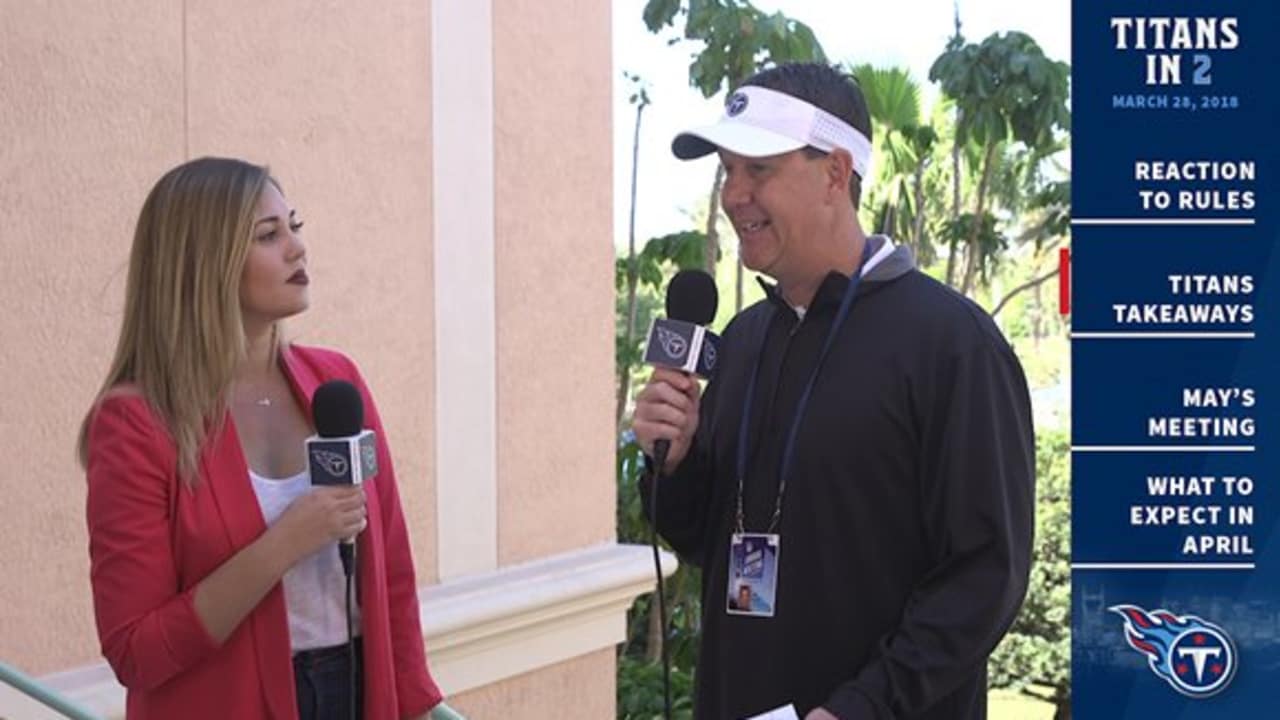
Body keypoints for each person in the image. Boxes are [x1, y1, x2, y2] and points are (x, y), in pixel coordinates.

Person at [631, 63, 1035, 719]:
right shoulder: (742, 340)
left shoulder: (954, 344)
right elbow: (709, 541)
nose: (733, 195)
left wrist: (860, 708)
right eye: (726, 171)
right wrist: (672, 468)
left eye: (757, 168)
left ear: (835, 173)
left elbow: (986, 575)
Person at [78, 157, 443, 719]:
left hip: (357, 689)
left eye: (294, 226)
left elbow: (391, 568)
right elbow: (137, 649)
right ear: (203, 263)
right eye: (268, 236)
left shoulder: (337, 383)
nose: (297, 248)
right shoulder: (137, 424)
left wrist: (415, 703)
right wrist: (285, 542)